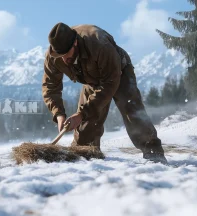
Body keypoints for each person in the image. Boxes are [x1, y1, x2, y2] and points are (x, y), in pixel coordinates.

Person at [42, 22, 167, 164]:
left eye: (66, 54)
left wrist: (81, 113)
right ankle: (86, 157)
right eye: (60, 55)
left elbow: (109, 84)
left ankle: (153, 153)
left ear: (75, 43)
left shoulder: (99, 43)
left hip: (118, 72)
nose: (63, 59)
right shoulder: (54, 56)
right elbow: (50, 87)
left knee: (131, 109)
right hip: (91, 80)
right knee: (85, 128)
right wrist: (59, 114)